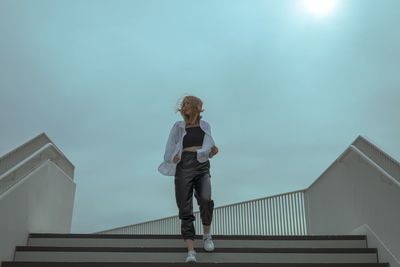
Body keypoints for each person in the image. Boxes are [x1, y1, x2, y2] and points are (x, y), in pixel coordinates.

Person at [158, 95, 219, 263]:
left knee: (206, 199)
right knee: (185, 207)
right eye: (183, 105)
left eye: (187, 104)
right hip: (184, 165)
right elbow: (170, 147)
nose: (184, 107)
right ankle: (191, 251)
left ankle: (207, 236)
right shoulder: (178, 127)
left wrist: (213, 151)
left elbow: (210, 149)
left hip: (202, 165)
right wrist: (172, 158)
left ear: (195, 107)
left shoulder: (205, 126)